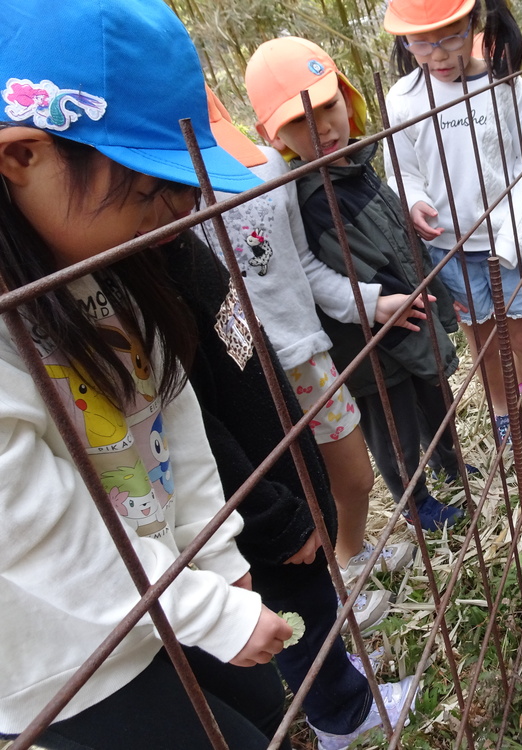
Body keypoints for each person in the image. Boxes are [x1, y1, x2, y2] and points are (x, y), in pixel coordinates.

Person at [0, 1, 291, 747]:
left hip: (162, 582)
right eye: (146, 183)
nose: (174, 211)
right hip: (67, 661)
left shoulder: (102, 270)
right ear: (22, 155)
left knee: (268, 711)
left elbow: (172, 407)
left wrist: (214, 556)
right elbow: (33, 532)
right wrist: (204, 611)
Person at [165, 229, 417, 750]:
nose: (176, 197)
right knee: (296, 608)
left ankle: (334, 680)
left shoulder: (171, 245)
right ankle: (343, 714)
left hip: (275, 475)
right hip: (254, 505)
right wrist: (269, 516)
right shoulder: (149, 276)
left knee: (311, 600)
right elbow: (193, 430)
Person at [197, 87, 418, 626]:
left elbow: (300, 263)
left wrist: (368, 302)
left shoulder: (269, 167)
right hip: (247, 372)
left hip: (307, 353)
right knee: (294, 495)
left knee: (354, 476)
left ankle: (351, 553)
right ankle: (333, 588)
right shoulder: (174, 201)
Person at [244, 36, 473, 531]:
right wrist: (372, 303)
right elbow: (317, 270)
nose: (322, 126)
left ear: (348, 98)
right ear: (275, 135)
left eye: (328, 105)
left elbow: (400, 238)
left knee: (436, 394)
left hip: (412, 311)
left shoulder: (358, 163)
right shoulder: (307, 196)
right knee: (394, 425)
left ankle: (449, 461)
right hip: (368, 339)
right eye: (298, 121)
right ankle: (414, 501)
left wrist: (439, 299)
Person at [382, 0, 522, 446]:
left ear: (473, 23)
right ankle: (503, 410)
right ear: (405, 41)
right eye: (421, 42)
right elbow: (401, 171)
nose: (438, 55)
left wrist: (514, 236)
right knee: (483, 343)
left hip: (509, 240)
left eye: (450, 37)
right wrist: (416, 200)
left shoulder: (504, 87)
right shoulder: (403, 101)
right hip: (451, 247)